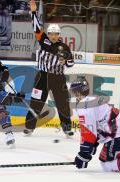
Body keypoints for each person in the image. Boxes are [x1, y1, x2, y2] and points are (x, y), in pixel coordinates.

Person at [24, 0, 75, 137]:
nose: (53, 36)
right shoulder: (43, 40)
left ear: (59, 35)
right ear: (48, 34)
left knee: (62, 104)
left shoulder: (64, 47)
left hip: (58, 78)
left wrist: (65, 60)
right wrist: (33, 12)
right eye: (51, 34)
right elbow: (36, 27)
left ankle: (67, 128)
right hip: (42, 77)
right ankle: (29, 127)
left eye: (55, 34)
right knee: (36, 102)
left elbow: (71, 64)